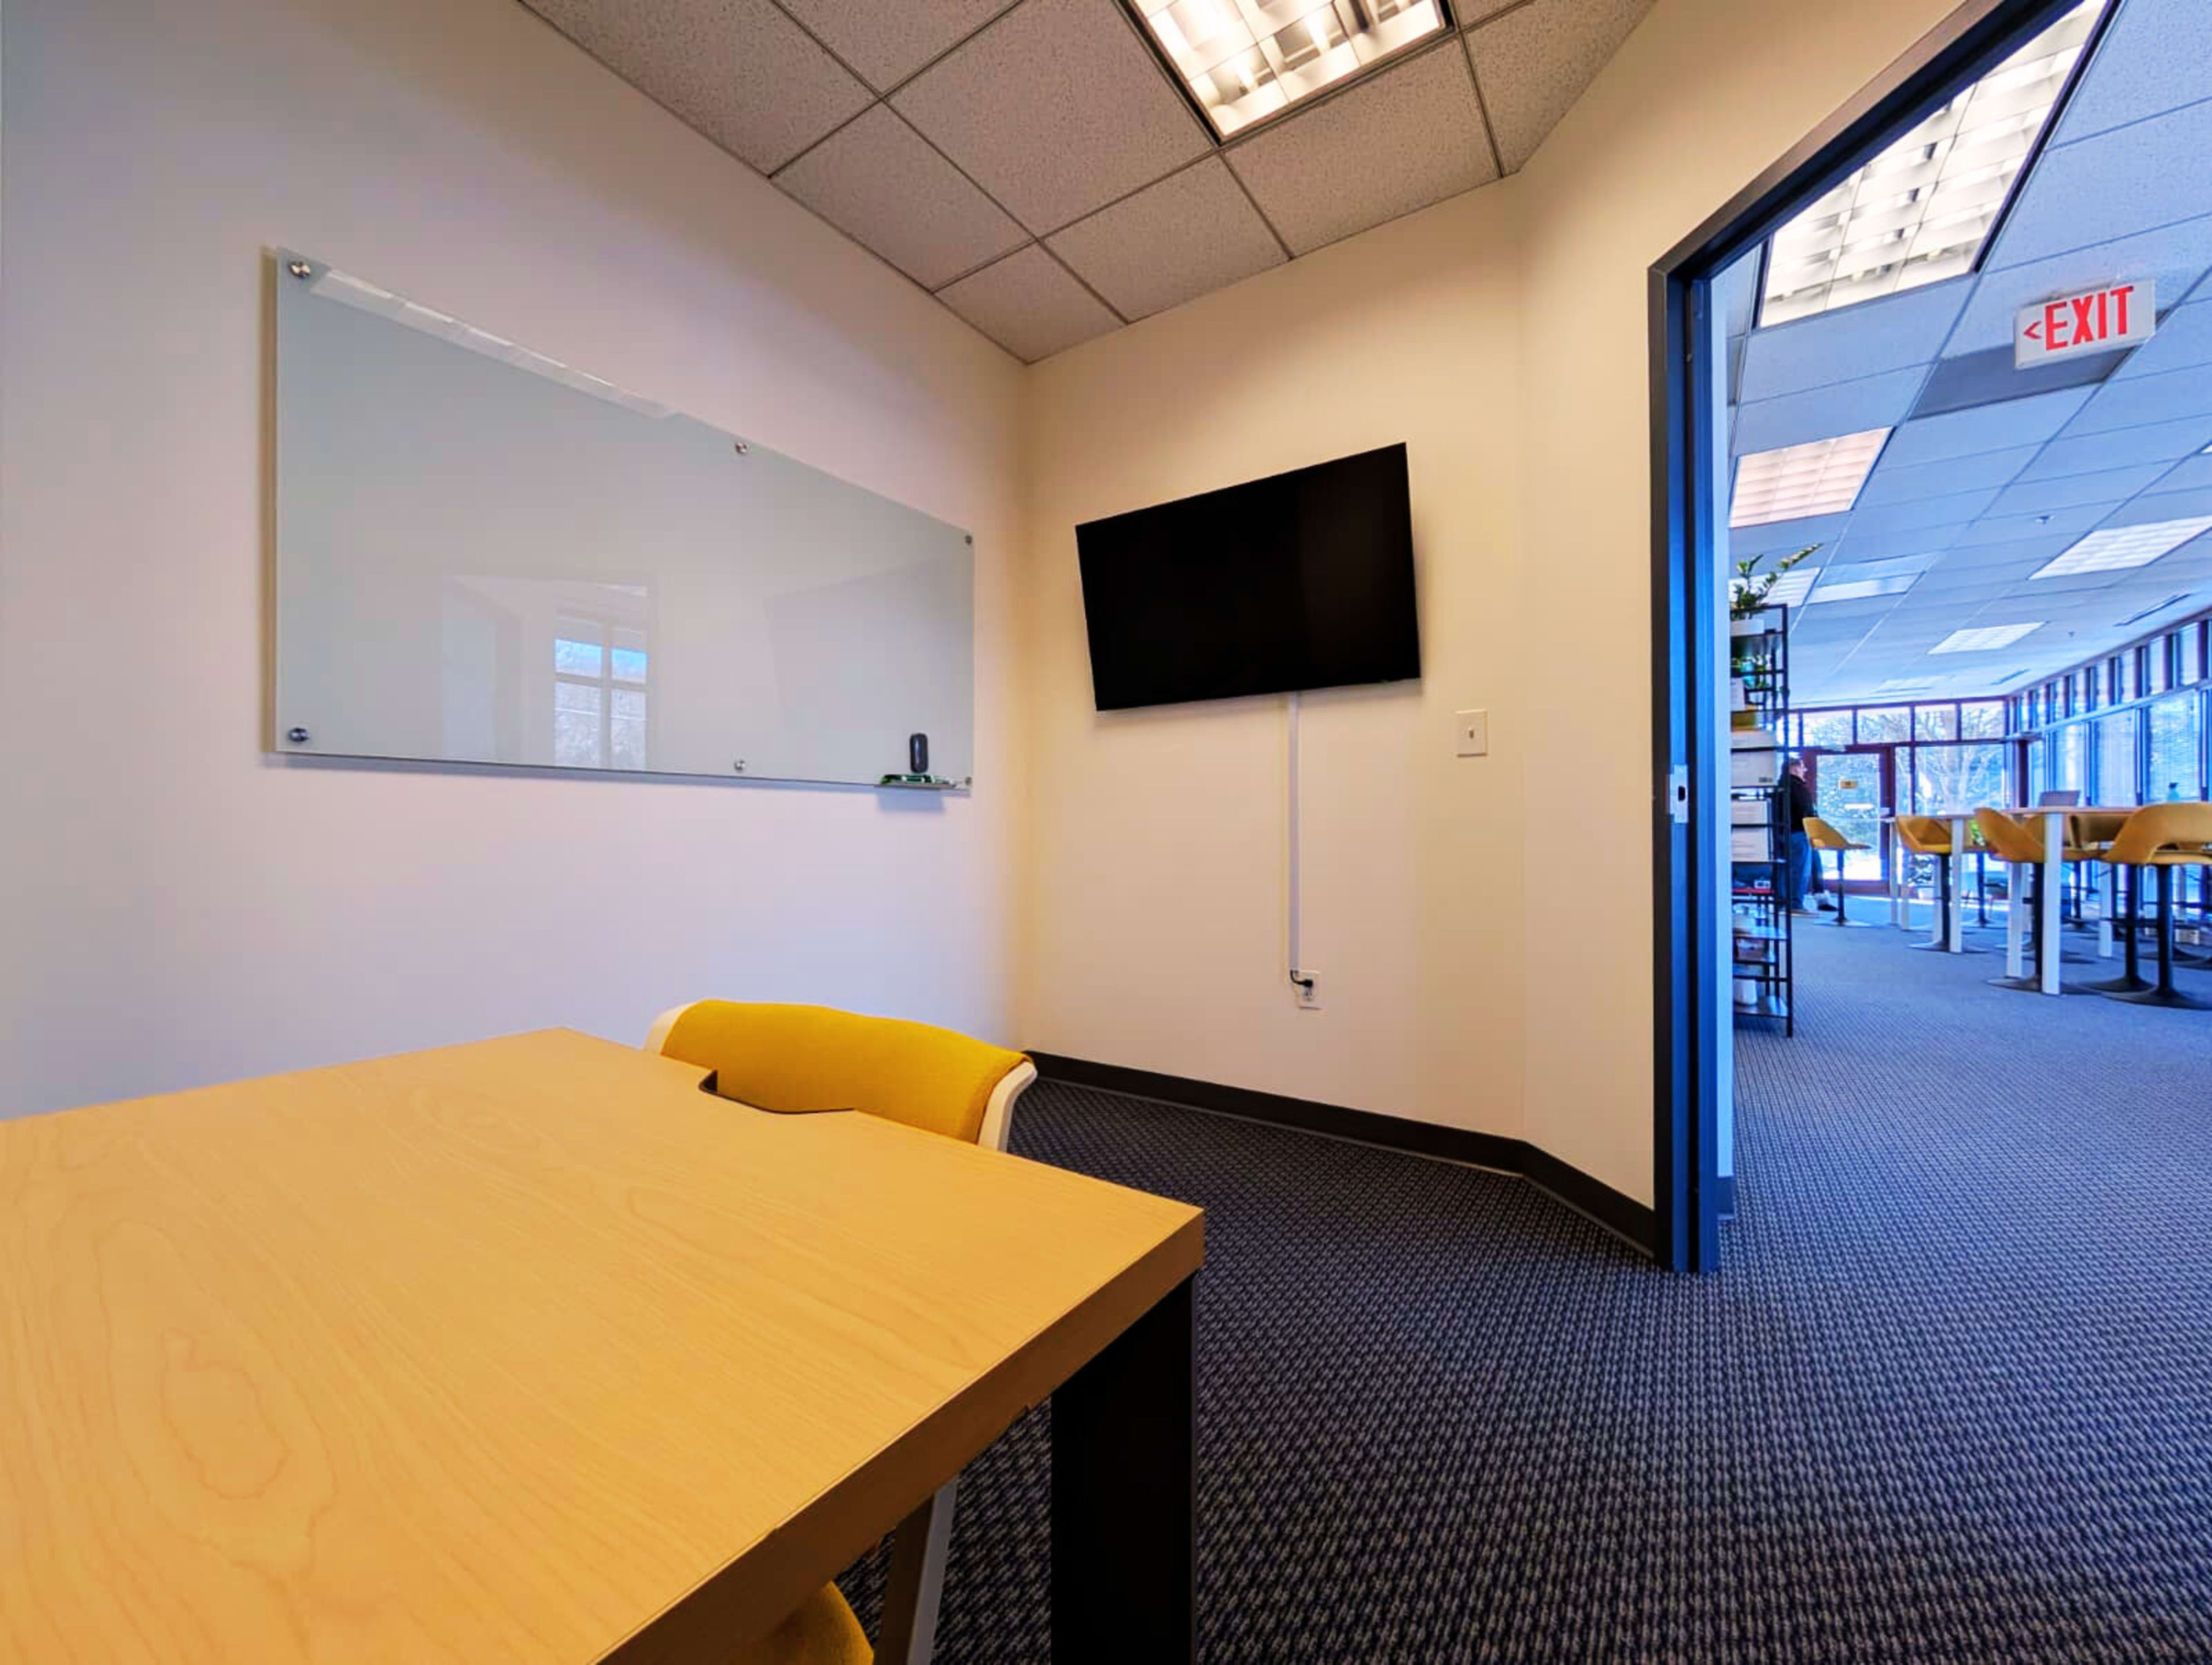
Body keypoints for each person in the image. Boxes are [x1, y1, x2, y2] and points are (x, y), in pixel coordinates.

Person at [1778, 756, 1817, 914]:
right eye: (1803, 769)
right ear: (1795, 769)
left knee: (1782, 869)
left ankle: (1782, 901)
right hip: (1798, 832)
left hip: (1780, 832)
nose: (1804, 772)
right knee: (1799, 870)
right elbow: (1806, 810)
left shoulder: (1778, 785)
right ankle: (1795, 903)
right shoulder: (1798, 787)